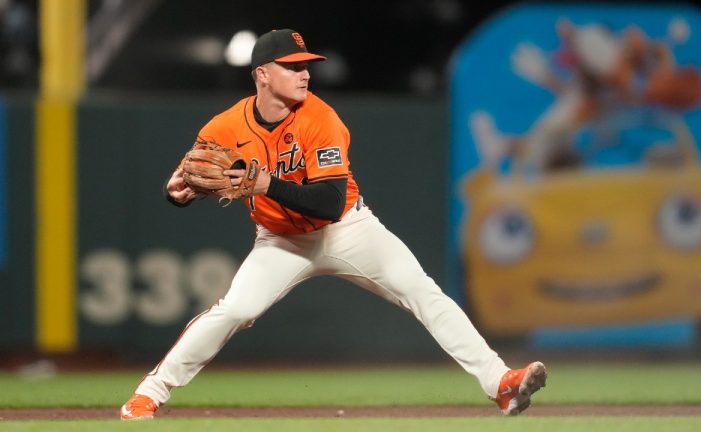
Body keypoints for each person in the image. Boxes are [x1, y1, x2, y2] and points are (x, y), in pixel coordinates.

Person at [119, 28, 546, 420]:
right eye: (293, 66)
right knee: (237, 309)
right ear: (262, 75)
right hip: (280, 242)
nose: (305, 74)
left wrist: (266, 182)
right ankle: (149, 393)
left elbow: (327, 202)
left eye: (307, 65)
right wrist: (175, 192)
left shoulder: (321, 119)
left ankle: (501, 383)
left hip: (347, 228)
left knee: (420, 290)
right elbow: (184, 179)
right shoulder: (224, 127)